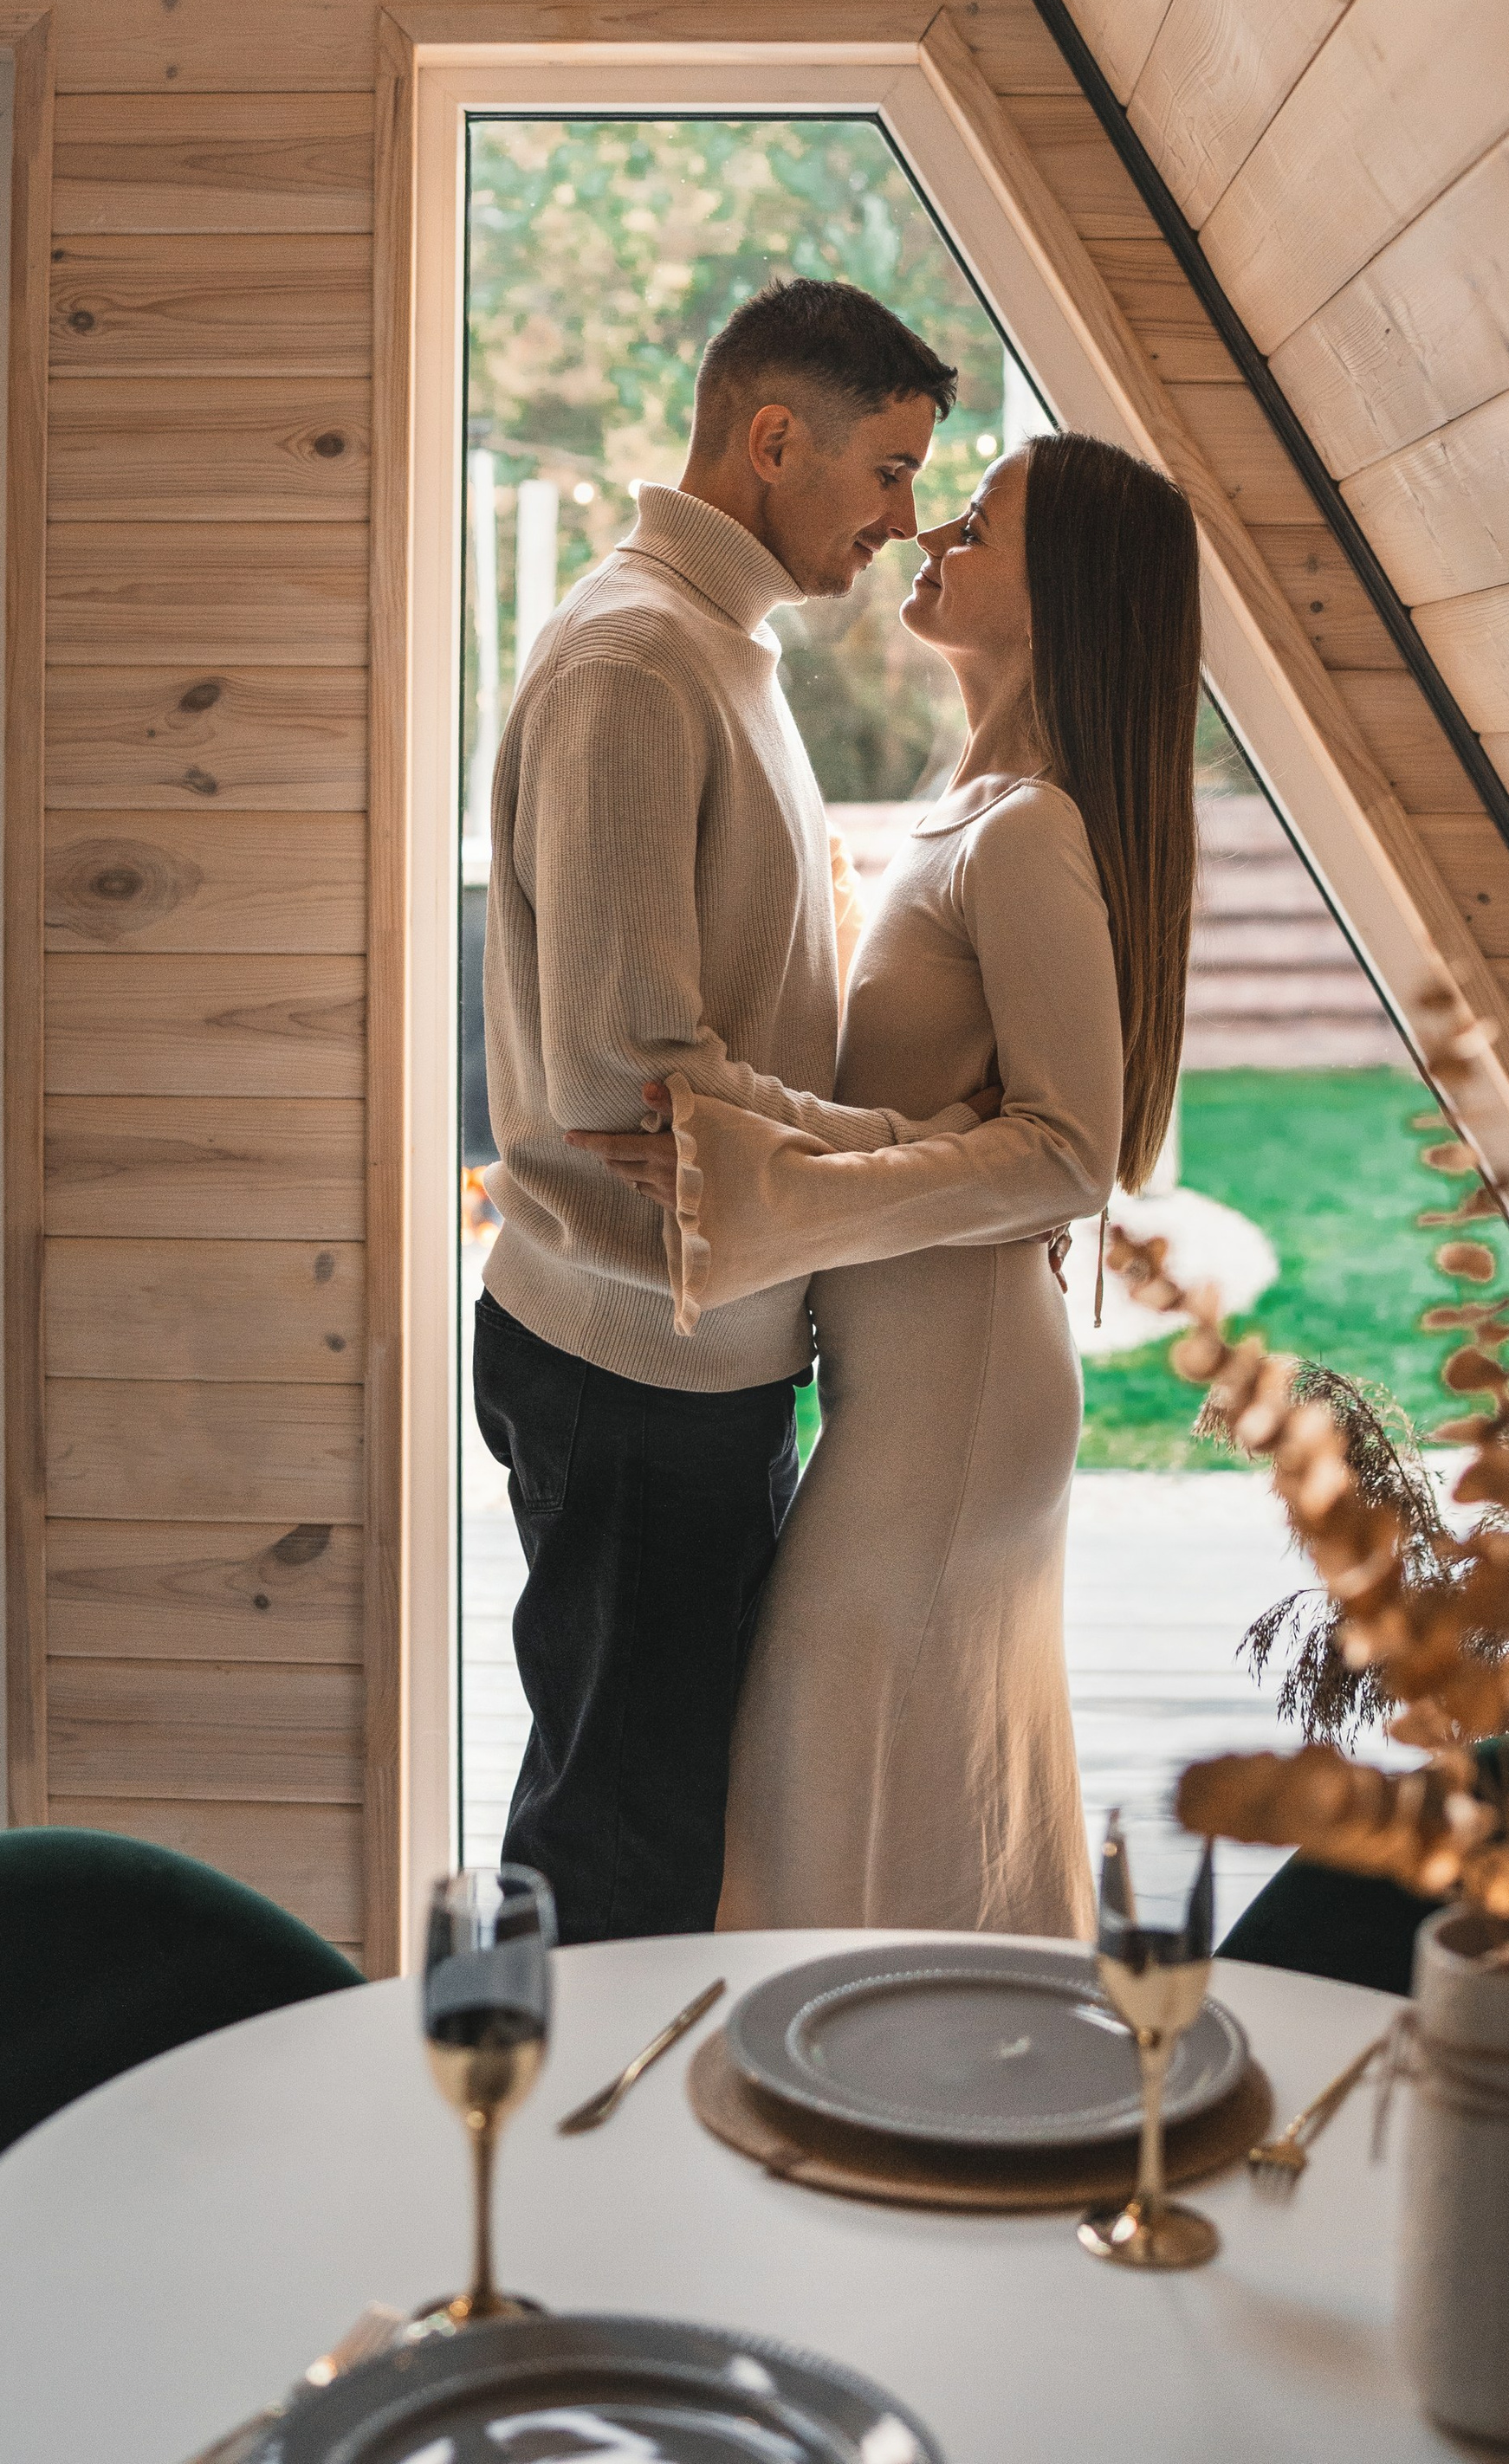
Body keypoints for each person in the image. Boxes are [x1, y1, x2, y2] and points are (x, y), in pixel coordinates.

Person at [576, 431, 1200, 1936]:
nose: (933, 535)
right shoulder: (972, 805)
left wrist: (765, 1178)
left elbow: (1066, 1153)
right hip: (914, 1382)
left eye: (976, 524)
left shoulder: (1034, 831)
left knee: (815, 1808)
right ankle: (938, 2118)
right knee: (890, 1820)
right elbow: (911, 1117)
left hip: (955, 1404)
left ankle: (868, 2115)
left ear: (1062, 597)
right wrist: (744, 1133)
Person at [475, 275, 982, 1943]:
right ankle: (542, 2177)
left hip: (701, 1341)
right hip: (636, 1361)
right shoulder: (635, 660)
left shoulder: (718, 643)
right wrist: (910, 1160)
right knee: (618, 1838)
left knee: (668, 1807)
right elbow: (626, 1078)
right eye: (889, 470)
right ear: (775, 440)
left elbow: (696, 1078)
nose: (904, 524)